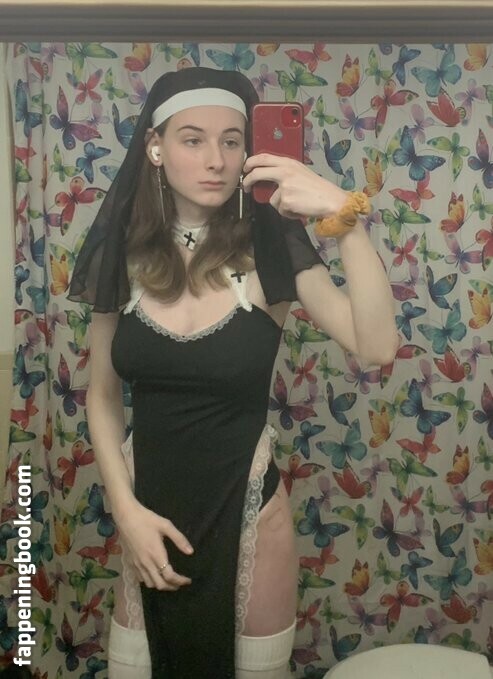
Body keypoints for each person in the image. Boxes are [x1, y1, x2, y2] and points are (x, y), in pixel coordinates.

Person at [68, 66, 398, 679]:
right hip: (147, 519)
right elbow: (103, 397)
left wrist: (343, 215)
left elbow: (376, 345)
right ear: (156, 148)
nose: (216, 159)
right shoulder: (124, 256)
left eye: (231, 140)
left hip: (251, 519)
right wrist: (125, 512)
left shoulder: (269, 248)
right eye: (192, 139)